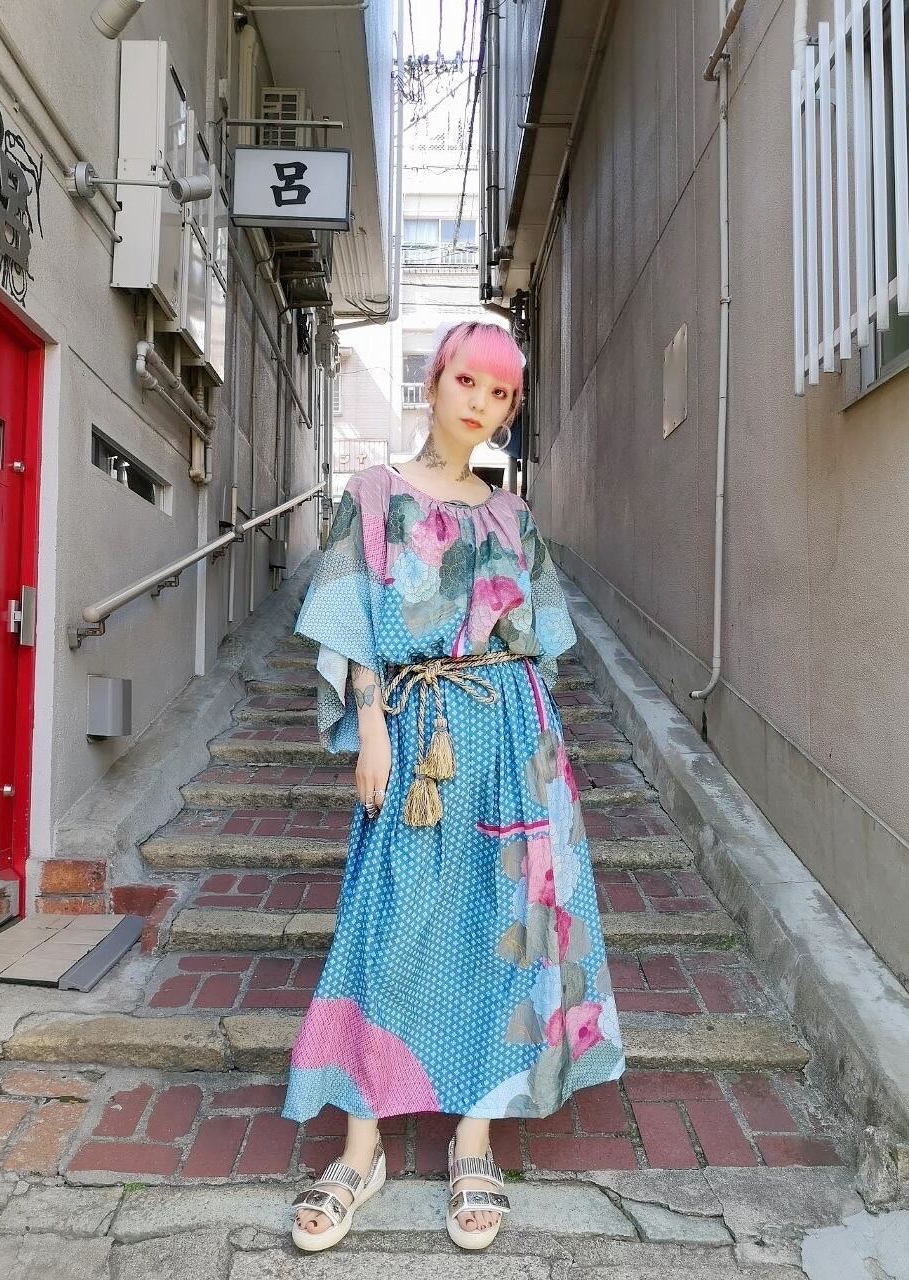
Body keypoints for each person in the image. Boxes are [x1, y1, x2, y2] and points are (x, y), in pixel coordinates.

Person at [283, 320, 625, 1253]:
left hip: (513, 736)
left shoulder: (514, 516)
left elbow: (539, 643)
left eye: (501, 392)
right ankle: (361, 1148)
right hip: (417, 734)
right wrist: (371, 725)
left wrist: (543, 763)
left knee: (502, 925)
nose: (481, 402)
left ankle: (474, 1136)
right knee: (386, 923)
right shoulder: (374, 494)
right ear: (434, 383)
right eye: (467, 381)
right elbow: (352, 617)